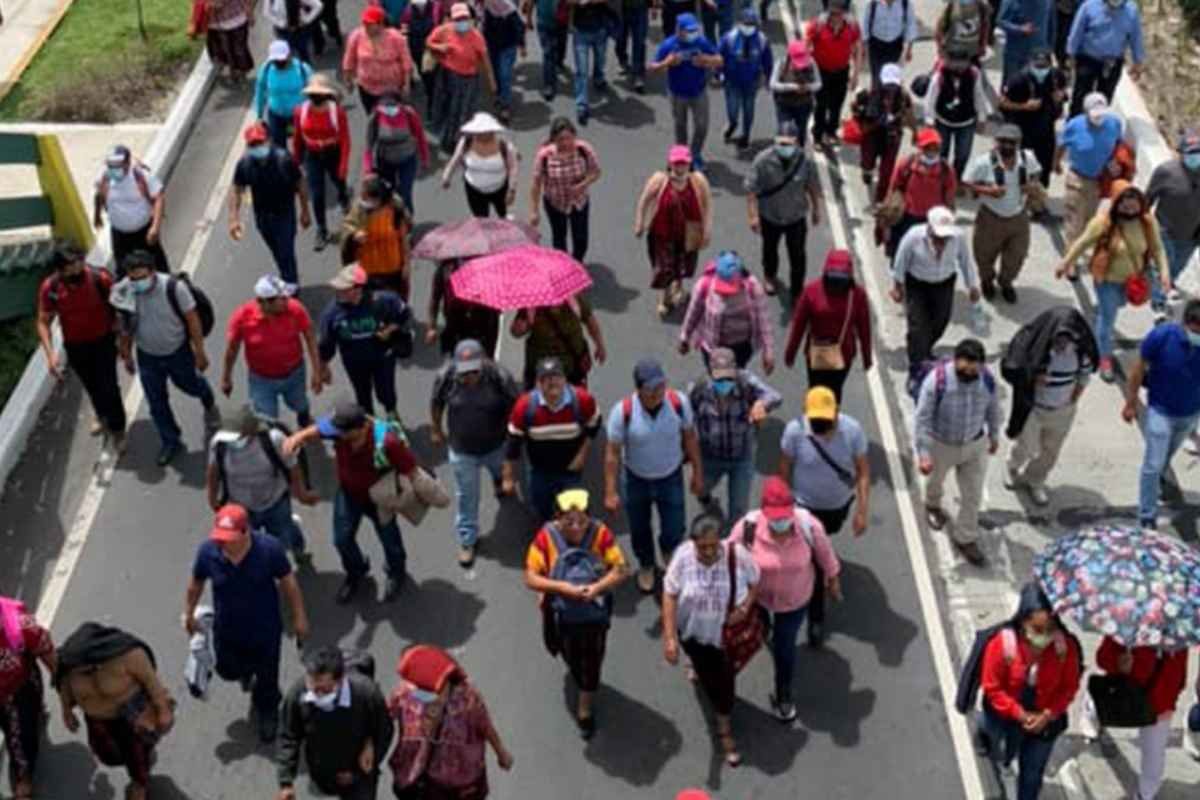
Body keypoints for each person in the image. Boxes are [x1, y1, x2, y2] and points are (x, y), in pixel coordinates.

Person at [183, 504, 310, 744]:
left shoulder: (269, 549)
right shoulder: (208, 552)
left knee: (267, 677)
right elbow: (196, 583)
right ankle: (247, 674)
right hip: (227, 629)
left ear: (245, 532)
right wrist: (188, 614)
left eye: (229, 538)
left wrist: (299, 616)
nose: (223, 543)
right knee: (226, 669)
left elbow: (288, 583)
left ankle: (268, 711)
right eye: (220, 537)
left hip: (265, 630)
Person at [284, 399, 419, 602]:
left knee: (390, 539)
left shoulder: (388, 442)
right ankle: (356, 571)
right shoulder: (340, 430)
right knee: (342, 540)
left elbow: (411, 470)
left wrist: (410, 497)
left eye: (342, 433)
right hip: (348, 493)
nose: (337, 435)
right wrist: (297, 437)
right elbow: (316, 431)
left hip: (380, 498)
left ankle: (396, 571)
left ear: (361, 428)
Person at [524, 489, 628, 737]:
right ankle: (578, 672)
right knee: (564, 650)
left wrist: (597, 588)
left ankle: (585, 706)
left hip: (594, 612)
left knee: (591, 661)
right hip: (560, 614)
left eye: (582, 520)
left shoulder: (601, 533)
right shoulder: (546, 537)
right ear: (557, 518)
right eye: (568, 521)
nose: (576, 527)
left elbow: (621, 569)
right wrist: (561, 588)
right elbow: (530, 576)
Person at [736, 477, 841, 720]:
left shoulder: (808, 525)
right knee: (760, 631)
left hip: (795, 600)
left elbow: (826, 555)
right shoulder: (748, 527)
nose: (781, 522)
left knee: (785, 648)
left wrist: (833, 579)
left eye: (784, 515)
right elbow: (730, 553)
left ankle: (783, 694)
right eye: (775, 517)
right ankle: (766, 631)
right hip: (758, 598)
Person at [662, 513, 759, 766]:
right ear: (692, 543)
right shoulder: (683, 556)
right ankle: (696, 667)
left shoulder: (737, 555)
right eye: (701, 547)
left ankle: (723, 727)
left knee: (723, 685)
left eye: (712, 546)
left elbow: (756, 583)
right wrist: (671, 638)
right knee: (702, 665)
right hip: (691, 634)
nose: (706, 552)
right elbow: (670, 594)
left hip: (723, 640)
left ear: (720, 541)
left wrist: (746, 607)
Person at [605, 357, 704, 593]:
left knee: (675, 526)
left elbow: (690, 437)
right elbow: (612, 453)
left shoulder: (678, 403)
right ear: (638, 389)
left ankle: (668, 551)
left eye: (661, 386)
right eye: (651, 388)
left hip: (670, 477)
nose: (658, 393)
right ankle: (647, 564)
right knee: (639, 527)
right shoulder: (623, 412)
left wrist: (698, 473)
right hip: (635, 479)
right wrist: (610, 490)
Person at [111, 251, 220, 466]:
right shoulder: (125, 292)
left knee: (190, 385)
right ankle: (170, 440)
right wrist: (127, 356)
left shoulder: (174, 288)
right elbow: (124, 327)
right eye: (133, 278)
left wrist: (199, 351)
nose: (137, 283)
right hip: (148, 357)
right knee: (156, 402)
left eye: (141, 277)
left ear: (153, 272)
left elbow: (193, 320)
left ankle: (206, 397)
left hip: (177, 353)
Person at [778, 387, 868, 645]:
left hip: (838, 506)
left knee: (824, 540)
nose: (822, 427)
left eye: (826, 421)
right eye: (817, 421)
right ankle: (816, 618)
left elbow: (862, 471)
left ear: (837, 413)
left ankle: (823, 554)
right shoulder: (795, 432)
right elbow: (784, 469)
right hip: (804, 508)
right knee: (814, 563)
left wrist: (862, 511)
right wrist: (784, 507)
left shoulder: (852, 431)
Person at [978, 584, 1082, 800]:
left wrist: (1047, 715)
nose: (1044, 636)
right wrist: (1020, 714)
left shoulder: (1065, 648)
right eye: (1037, 628)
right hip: (1006, 716)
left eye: (1050, 629)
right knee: (998, 747)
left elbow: (1069, 687)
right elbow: (992, 688)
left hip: (1044, 722)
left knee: (1032, 774)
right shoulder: (1002, 644)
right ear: (1023, 621)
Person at [1056, 181, 1167, 382]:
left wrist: (1165, 274)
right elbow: (1081, 244)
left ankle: (1105, 308)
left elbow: (1158, 249)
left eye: (1134, 202)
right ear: (1116, 202)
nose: (1130, 206)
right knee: (1107, 321)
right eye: (1125, 202)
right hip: (1108, 281)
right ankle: (1104, 357)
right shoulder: (1102, 223)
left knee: (1117, 305)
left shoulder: (1148, 222)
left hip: (1134, 281)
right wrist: (1065, 264)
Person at [54, 623, 175, 800]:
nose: (78, 671)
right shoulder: (70, 665)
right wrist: (66, 712)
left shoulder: (128, 655)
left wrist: (163, 709)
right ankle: (141, 761)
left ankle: (139, 784)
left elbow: (152, 682)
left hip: (131, 716)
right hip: (97, 720)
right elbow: (63, 687)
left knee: (134, 753)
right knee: (107, 755)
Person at [431, 339, 520, 566]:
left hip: (496, 444)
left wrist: (515, 437)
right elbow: (437, 403)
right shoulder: (447, 377)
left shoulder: (500, 377)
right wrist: (436, 428)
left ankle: (499, 482)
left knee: (499, 474)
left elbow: (516, 406)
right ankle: (468, 539)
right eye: (464, 372)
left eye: (473, 371)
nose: (468, 377)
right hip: (462, 450)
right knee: (466, 496)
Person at [914, 338, 1001, 566]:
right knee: (935, 481)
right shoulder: (937, 381)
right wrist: (923, 453)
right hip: (942, 444)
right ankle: (933, 504)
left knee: (973, 494)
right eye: (965, 370)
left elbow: (994, 409)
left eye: (974, 371)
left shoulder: (987, 381)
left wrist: (994, 435)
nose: (970, 376)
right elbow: (923, 419)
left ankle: (965, 538)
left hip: (974, 444)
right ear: (955, 361)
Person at [387, 645, 514, 797]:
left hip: (462, 780)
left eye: (432, 691)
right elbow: (385, 717)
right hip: (421, 778)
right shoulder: (405, 693)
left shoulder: (467, 699)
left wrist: (501, 753)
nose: (425, 696)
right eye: (421, 690)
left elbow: (485, 726)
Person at [1001, 307, 1097, 506]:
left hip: (1062, 410)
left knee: (1050, 451)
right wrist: (1033, 377)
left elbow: (1084, 378)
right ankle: (1012, 466)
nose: (1064, 343)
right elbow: (1014, 366)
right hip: (1034, 408)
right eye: (1060, 337)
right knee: (1026, 445)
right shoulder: (1037, 347)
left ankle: (1035, 480)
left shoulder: (1081, 353)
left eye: (1069, 338)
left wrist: (1071, 401)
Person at [36, 244, 126, 451]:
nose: (78, 268)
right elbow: (43, 321)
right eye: (71, 265)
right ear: (60, 269)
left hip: (103, 341)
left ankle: (118, 429)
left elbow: (119, 310)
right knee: (91, 385)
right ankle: (101, 413)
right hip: (76, 346)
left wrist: (123, 343)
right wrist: (50, 355)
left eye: (79, 262)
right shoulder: (51, 289)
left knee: (110, 386)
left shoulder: (100, 278)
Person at [1120, 300, 1200, 530]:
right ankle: (1147, 514)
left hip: (1190, 414)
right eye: (1195, 332)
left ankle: (1158, 481)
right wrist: (1131, 402)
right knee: (1153, 464)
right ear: (1186, 324)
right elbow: (1137, 370)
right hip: (1160, 411)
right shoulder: (1162, 336)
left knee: (1165, 457)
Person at [277, 646, 394, 800]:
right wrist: (286, 782)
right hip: (322, 770)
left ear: (340, 680)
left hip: (360, 775)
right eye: (312, 684)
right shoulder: (300, 692)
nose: (314, 692)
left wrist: (370, 748)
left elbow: (384, 731)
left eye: (322, 688)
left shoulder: (366, 694)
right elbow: (288, 735)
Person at [206, 404, 318, 561]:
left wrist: (301, 494)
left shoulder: (274, 440)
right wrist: (212, 498)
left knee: (282, 537)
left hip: (275, 501)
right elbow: (213, 471)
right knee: (249, 546)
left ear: (250, 431)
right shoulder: (219, 444)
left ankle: (297, 546)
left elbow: (293, 467)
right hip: (241, 507)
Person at [689, 347, 781, 523]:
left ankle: (734, 543)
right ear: (710, 373)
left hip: (741, 457)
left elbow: (775, 396)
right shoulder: (699, 389)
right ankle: (709, 502)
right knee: (699, 489)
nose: (725, 382)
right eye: (720, 378)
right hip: (710, 455)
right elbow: (687, 416)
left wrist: (761, 404)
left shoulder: (746, 382)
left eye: (729, 377)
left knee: (739, 512)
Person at [503, 357, 602, 520]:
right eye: (546, 379)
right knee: (541, 507)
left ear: (564, 379)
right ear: (537, 383)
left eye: (556, 377)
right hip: (539, 470)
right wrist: (508, 477)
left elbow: (594, 425)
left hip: (571, 469)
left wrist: (582, 455)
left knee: (573, 511)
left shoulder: (583, 401)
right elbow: (512, 444)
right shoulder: (524, 407)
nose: (552, 382)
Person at [1089, 638, 1188, 800]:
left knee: (1154, 756)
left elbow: (1181, 671)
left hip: (1161, 705)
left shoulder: (1179, 632)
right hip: (1125, 694)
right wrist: (1118, 663)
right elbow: (1102, 657)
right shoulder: (1128, 623)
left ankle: (1145, 795)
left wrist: (1173, 697)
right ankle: (1091, 719)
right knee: (1102, 711)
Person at [222, 275, 324, 425]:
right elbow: (232, 350)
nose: (287, 301)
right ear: (264, 302)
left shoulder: (295, 309)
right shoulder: (242, 318)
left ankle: (304, 418)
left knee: (300, 403)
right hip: (261, 380)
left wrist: (317, 371)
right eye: (281, 299)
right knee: (266, 418)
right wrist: (226, 378)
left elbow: (310, 338)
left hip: (294, 374)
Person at [891, 206, 980, 378]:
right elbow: (901, 260)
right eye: (938, 235)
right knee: (917, 325)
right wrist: (897, 286)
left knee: (941, 320)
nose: (942, 240)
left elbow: (965, 261)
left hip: (944, 283)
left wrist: (972, 286)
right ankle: (917, 365)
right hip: (918, 284)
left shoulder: (958, 237)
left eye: (945, 236)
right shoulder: (914, 236)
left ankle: (923, 348)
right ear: (929, 227)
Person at [318, 264, 413, 418]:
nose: (338, 292)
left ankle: (392, 417)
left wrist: (390, 329)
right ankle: (370, 425)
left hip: (383, 358)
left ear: (358, 289)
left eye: (344, 288)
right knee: (362, 396)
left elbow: (404, 314)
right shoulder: (332, 314)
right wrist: (323, 367)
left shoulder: (384, 301)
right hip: (355, 363)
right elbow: (326, 344)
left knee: (386, 392)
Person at [963, 124, 1041, 303]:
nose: (1007, 146)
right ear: (996, 142)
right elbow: (966, 183)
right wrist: (987, 191)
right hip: (991, 216)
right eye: (1003, 142)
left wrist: (1031, 185)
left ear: (1018, 143)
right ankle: (987, 281)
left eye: (1011, 142)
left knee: (1017, 255)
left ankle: (1006, 283)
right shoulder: (983, 162)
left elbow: (1036, 172)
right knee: (984, 255)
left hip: (1018, 216)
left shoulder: (1027, 158)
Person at [744, 121, 824, 296]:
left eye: (789, 143)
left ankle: (797, 291)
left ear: (796, 142)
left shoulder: (804, 161)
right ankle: (769, 276)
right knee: (770, 250)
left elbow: (811, 186)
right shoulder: (762, 161)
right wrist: (753, 216)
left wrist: (816, 210)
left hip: (796, 216)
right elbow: (751, 190)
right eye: (782, 143)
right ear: (775, 141)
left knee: (798, 256)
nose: (785, 146)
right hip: (770, 215)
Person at [783, 249, 873, 402]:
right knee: (817, 390)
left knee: (834, 392)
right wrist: (790, 352)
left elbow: (865, 328)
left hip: (841, 355)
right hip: (819, 354)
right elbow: (798, 325)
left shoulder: (857, 295)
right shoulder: (811, 292)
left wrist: (867, 356)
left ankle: (827, 420)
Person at [634, 145, 713, 316]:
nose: (680, 167)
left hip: (689, 232)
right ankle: (664, 298)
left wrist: (707, 230)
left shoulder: (698, 180)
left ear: (689, 163)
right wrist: (639, 222)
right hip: (662, 233)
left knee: (683, 264)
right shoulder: (659, 180)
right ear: (669, 163)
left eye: (683, 163)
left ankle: (678, 288)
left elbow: (707, 206)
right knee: (664, 268)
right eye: (677, 163)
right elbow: (644, 200)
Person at [230, 121, 311, 287]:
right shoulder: (245, 164)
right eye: (253, 144)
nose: (257, 146)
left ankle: (291, 287)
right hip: (262, 217)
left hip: (284, 214)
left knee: (286, 251)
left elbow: (300, 183)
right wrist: (233, 218)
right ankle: (287, 278)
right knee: (277, 252)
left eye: (260, 142)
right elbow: (237, 189)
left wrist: (305, 211)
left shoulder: (284, 160)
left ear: (268, 140)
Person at [679, 251, 774, 373]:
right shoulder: (704, 285)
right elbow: (693, 312)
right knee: (715, 375)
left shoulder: (752, 287)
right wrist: (684, 337)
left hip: (741, 347)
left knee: (737, 374)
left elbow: (764, 320)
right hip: (713, 347)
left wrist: (768, 351)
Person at [650, 13, 723, 172]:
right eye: (688, 31)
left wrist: (705, 60)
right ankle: (682, 157)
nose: (692, 34)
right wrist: (667, 63)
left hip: (698, 92)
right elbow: (652, 68)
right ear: (679, 30)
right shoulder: (669, 45)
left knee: (702, 126)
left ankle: (695, 154)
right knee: (680, 126)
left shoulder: (701, 42)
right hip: (677, 94)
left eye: (694, 30)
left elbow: (719, 59)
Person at [0, 597, 57, 800]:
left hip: (18, 687)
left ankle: (24, 778)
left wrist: (59, 680)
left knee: (22, 735)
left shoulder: (19, 624)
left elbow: (46, 650)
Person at [292, 72, 352, 252]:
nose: (315, 98)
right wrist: (296, 161)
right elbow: (297, 138)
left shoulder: (337, 112)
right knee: (317, 194)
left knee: (339, 182)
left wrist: (343, 164)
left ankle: (344, 197)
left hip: (332, 152)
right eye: (313, 95)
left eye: (319, 94)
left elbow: (345, 140)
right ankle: (322, 229)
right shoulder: (300, 112)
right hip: (313, 155)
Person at [1054, 92, 1124, 245]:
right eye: (1094, 116)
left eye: (1101, 115)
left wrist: (1115, 162)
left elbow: (1118, 144)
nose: (1098, 119)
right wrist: (1056, 163)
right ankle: (1069, 259)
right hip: (1077, 177)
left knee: (1089, 219)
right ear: (1085, 112)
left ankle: (1079, 248)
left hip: (1098, 180)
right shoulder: (1074, 125)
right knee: (1074, 219)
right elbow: (1061, 144)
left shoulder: (1115, 124)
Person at [426, 3, 497, 154]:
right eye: (458, 19)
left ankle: (461, 140)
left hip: (469, 79)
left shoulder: (476, 37)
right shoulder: (444, 30)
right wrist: (441, 48)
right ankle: (448, 140)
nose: (462, 22)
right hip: (448, 77)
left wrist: (492, 83)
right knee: (449, 109)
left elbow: (485, 60)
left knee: (465, 111)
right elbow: (430, 41)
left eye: (465, 18)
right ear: (452, 19)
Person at [529, 117, 602, 260]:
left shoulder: (584, 150)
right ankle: (564, 267)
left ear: (575, 136)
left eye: (569, 138)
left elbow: (596, 172)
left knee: (581, 240)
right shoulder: (545, 156)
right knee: (559, 239)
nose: (566, 143)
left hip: (579, 202)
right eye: (560, 139)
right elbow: (536, 184)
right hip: (555, 203)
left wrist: (583, 184)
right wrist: (534, 211)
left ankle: (576, 263)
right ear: (553, 139)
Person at [1146, 128, 1200, 316]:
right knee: (1164, 266)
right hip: (1164, 229)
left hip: (1191, 235)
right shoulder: (1166, 172)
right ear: (1181, 153)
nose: (1196, 157)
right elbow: (1148, 198)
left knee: (1177, 267)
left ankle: (1165, 286)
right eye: (1191, 153)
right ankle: (1158, 302)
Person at [999, 48, 1068, 193]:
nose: (1041, 69)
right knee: (1022, 168)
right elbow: (1003, 103)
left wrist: (1060, 97)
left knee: (1044, 167)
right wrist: (1023, 106)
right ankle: (1020, 197)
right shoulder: (1018, 79)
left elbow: (1064, 92)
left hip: (1047, 130)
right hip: (1023, 131)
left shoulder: (1056, 77)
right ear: (1030, 64)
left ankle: (1039, 202)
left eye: (1044, 66)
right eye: (1037, 66)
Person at [880, 127, 957, 258]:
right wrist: (886, 224)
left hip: (932, 221)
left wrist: (948, 224)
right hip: (906, 217)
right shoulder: (906, 164)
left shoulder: (946, 170)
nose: (932, 151)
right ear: (920, 148)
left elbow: (950, 198)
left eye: (935, 147)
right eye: (928, 147)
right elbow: (892, 190)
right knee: (901, 252)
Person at [93, 145, 168, 277]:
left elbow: (158, 198)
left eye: (118, 165)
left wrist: (155, 227)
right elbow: (99, 195)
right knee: (123, 271)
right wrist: (97, 215)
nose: (114, 169)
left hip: (144, 233)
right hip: (119, 235)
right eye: (111, 165)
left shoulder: (141, 176)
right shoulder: (104, 178)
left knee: (158, 268)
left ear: (127, 163)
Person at [1065, 0, 1145, 116]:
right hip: (1088, 59)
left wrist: (1138, 62)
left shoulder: (1131, 11)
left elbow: (1135, 37)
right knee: (1080, 97)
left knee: (1104, 99)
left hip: (1112, 63)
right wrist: (1071, 54)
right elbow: (1077, 31)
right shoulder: (1089, 6)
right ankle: (1075, 126)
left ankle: (1098, 129)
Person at [339, 175, 413, 300]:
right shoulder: (359, 210)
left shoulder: (395, 209)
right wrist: (354, 235)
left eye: (371, 200)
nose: (366, 202)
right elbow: (346, 228)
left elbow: (403, 238)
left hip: (393, 270)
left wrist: (406, 264)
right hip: (368, 271)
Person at [852, 62, 916, 205]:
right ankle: (867, 171)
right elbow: (857, 112)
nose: (891, 88)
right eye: (888, 84)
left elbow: (910, 113)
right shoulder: (868, 95)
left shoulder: (903, 97)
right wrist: (873, 121)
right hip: (872, 135)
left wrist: (915, 132)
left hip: (892, 136)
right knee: (867, 162)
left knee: (887, 171)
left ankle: (880, 199)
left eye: (894, 84)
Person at [510, 295, 606, 387]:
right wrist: (522, 326)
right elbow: (515, 332)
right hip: (542, 368)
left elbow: (590, 320)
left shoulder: (574, 299)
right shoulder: (531, 305)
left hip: (572, 366)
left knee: (576, 400)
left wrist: (600, 345)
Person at [922, 47, 989, 179]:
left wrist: (982, 118)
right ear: (948, 61)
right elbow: (930, 99)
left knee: (963, 154)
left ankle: (956, 179)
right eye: (954, 62)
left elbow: (979, 96)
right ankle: (941, 179)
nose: (958, 66)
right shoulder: (939, 75)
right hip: (943, 121)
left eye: (962, 62)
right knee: (941, 153)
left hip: (966, 122)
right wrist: (929, 122)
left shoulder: (974, 74)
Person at [441, 111, 521, 218]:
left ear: (492, 131)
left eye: (483, 132)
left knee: (502, 213)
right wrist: (446, 177)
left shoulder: (505, 146)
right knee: (481, 219)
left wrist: (512, 190)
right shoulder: (466, 142)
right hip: (474, 190)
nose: (479, 135)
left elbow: (513, 168)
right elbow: (455, 160)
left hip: (500, 189)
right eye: (477, 132)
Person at [363, 91, 430, 217]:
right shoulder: (375, 117)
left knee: (405, 193)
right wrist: (368, 170)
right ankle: (393, 224)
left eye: (392, 106)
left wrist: (424, 158)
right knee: (388, 194)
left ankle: (408, 221)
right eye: (385, 106)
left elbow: (420, 137)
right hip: (385, 161)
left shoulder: (409, 114)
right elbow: (368, 146)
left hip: (407, 159)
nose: (389, 110)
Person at [805, 0, 862, 149]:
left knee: (837, 105)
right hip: (821, 72)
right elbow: (805, 47)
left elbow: (858, 50)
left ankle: (831, 132)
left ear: (844, 14)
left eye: (838, 14)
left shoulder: (852, 27)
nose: (835, 17)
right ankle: (817, 135)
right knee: (821, 105)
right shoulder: (817, 26)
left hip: (841, 72)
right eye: (832, 13)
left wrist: (856, 74)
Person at [342, 5, 413, 115]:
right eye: (364, 23)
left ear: (381, 24)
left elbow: (406, 62)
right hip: (367, 87)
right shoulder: (356, 36)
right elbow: (349, 59)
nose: (366, 26)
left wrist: (406, 84)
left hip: (391, 88)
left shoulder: (396, 37)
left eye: (370, 24)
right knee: (372, 115)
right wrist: (348, 80)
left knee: (392, 115)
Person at [718, 8, 772, 150]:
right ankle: (732, 123)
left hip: (751, 82)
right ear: (740, 23)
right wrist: (719, 73)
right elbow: (719, 57)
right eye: (746, 24)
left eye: (751, 24)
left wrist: (768, 78)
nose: (748, 27)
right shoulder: (729, 38)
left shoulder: (761, 40)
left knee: (749, 109)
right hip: (732, 81)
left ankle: (746, 134)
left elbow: (767, 61)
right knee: (732, 109)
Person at [426, 258, 502, 357]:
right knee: (458, 364)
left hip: (482, 329)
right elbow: (435, 298)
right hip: (456, 328)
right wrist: (431, 327)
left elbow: (495, 308)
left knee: (479, 367)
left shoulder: (489, 268)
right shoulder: (445, 269)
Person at [255, 40, 315, 148]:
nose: (279, 62)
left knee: (304, 144)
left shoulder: (302, 69)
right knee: (278, 149)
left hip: (300, 115)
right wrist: (259, 116)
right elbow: (260, 92)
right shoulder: (266, 69)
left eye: (281, 59)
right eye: (276, 60)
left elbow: (315, 90)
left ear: (289, 55)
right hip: (276, 115)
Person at [770, 39, 822, 148]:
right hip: (784, 104)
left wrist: (807, 88)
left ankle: (799, 155)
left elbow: (818, 84)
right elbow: (773, 84)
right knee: (784, 131)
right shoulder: (781, 64)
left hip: (804, 105)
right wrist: (792, 87)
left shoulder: (812, 63)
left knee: (801, 132)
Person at [482, 0, 525, 123]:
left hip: (508, 46)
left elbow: (519, 27)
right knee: (495, 73)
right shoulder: (488, 8)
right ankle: (500, 96)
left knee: (504, 74)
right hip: (493, 46)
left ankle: (505, 105)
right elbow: (486, 27)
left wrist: (522, 45)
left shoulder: (510, 10)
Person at [401, 0, 446, 113]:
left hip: (433, 49)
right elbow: (404, 31)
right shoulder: (408, 11)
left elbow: (442, 24)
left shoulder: (436, 8)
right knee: (425, 76)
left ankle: (434, 102)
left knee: (434, 76)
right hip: (416, 48)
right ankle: (432, 95)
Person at [570, 0, 610, 126]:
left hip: (600, 28)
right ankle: (582, 105)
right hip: (580, 31)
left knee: (600, 59)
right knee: (581, 70)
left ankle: (598, 77)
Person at [860, 0, 915, 86]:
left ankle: (891, 97)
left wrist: (909, 49)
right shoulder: (872, 4)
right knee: (877, 78)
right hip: (876, 45)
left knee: (892, 78)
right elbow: (865, 25)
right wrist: (863, 48)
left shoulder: (905, 4)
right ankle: (876, 96)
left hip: (895, 45)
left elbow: (910, 25)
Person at [997, 0, 1053, 83]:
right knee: (1012, 86)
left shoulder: (1048, 2)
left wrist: (1050, 48)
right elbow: (1001, 21)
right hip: (1015, 54)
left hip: (1038, 53)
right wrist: (1020, 29)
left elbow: (1051, 25)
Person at [524, 0, 568, 101]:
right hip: (544, 24)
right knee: (548, 53)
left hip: (561, 23)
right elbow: (531, 2)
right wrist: (529, 19)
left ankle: (559, 61)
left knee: (559, 49)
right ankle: (549, 85)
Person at [205, 0, 255, 81]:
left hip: (236, 19)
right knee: (227, 50)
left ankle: (240, 72)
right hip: (217, 23)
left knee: (238, 50)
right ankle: (235, 72)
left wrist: (249, 11)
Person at [934, 0, 990, 65]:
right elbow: (940, 29)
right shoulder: (951, 5)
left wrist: (983, 46)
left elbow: (985, 28)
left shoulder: (981, 6)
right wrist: (940, 48)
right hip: (952, 52)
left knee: (976, 73)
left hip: (973, 53)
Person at [615, 0, 650, 94]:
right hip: (622, 9)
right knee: (620, 39)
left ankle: (638, 74)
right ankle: (623, 60)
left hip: (640, 8)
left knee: (639, 41)